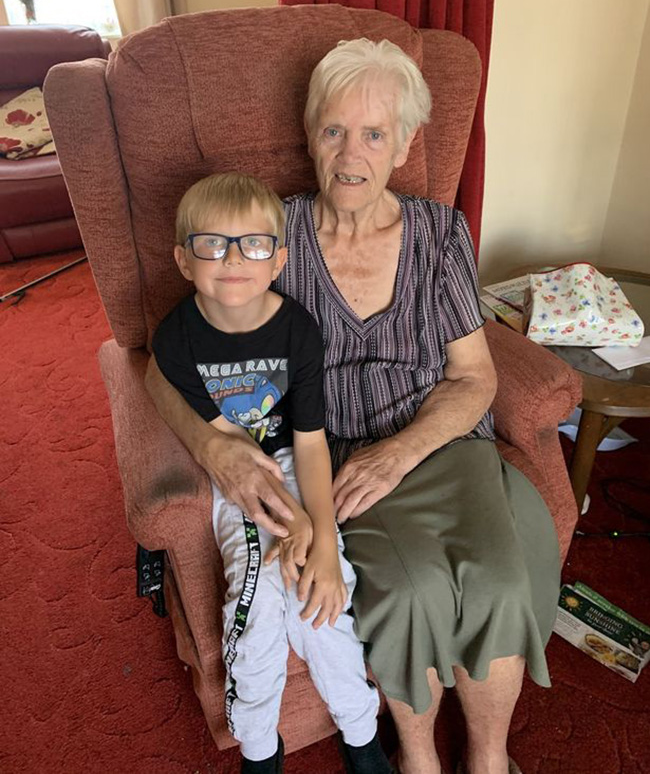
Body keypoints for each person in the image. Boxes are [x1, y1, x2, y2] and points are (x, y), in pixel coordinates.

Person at [146, 40, 561, 774]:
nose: (350, 152)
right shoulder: (273, 239)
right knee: (410, 591)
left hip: (435, 446)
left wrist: (399, 452)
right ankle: (419, 757)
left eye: (374, 133)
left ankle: (489, 758)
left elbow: (473, 377)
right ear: (309, 137)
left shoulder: (440, 235)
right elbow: (162, 361)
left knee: (499, 578)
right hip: (326, 460)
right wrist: (212, 447)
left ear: (404, 143)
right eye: (333, 129)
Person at [151, 172, 393, 774]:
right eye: (212, 244)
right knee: (258, 613)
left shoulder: (298, 330)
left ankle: (361, 736)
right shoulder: (177, 339)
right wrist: (287, 532)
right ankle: (260, 749)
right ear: (184, 259)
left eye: (254, 244)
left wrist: (319, 538)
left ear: (279, 258)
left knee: (321, 603)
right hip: (234, 474)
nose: (233, 260)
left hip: (295, 464)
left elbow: (311, 446)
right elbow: (233, 450)